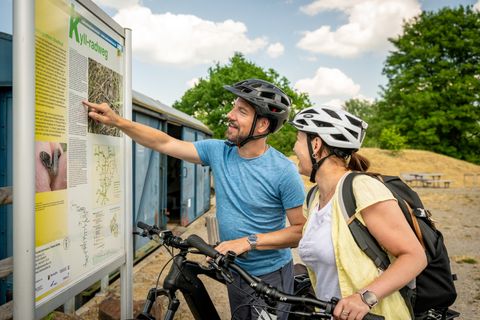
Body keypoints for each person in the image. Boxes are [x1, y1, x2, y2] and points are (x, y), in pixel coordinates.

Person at [83, 78, 306, 320]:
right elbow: (165, 142)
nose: (229, 115)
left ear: (262, 125)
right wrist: (117, 121)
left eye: (241, 111)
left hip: (268, 275)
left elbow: (299, 231)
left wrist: (248, 241)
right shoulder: (219, 151)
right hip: (235, 270)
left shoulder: (284, 171)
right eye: (233, 107)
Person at [290, 106, 427, 320]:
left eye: (298, 139)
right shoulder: (315, 196)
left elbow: (415, 257)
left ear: (316, 145)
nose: (294, 148)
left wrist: (364, 298)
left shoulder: (361, 188)